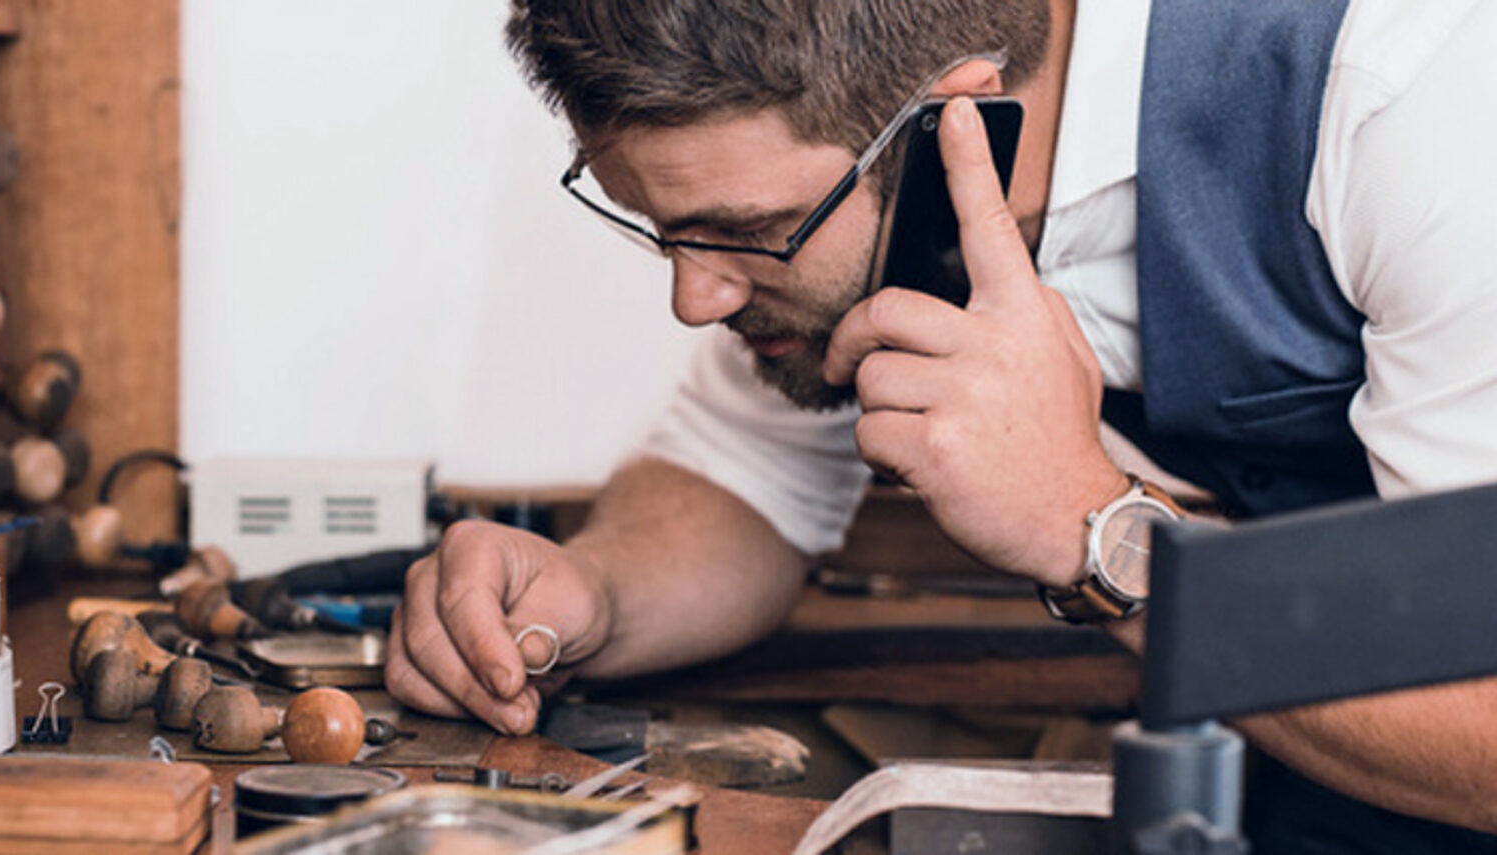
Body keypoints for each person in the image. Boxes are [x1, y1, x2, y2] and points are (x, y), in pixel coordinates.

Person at [385, 0, 1497, 850]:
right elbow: (745, 470)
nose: (696, 298)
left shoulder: (1405, 92)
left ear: (955, 119)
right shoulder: (899, 202)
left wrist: (1091, 530)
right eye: (660, 230)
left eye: (747, 232)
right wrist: (594, 595)